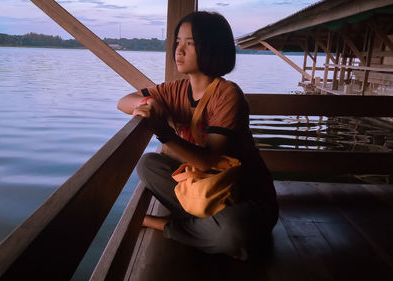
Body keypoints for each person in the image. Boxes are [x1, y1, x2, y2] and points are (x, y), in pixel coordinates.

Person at [117, 11, 278, 260]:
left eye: (190, 43)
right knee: (148, 164)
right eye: (178, 42)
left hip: (243, 198)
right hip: (203, 189)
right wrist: (149, 102)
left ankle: (168, 226)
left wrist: (163, 131)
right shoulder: (175, 90)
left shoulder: (227, 95)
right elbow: (123, 101)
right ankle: (204, 229)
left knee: (234, 233)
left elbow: (206, 161)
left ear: (212, 48)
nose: (179, 51)